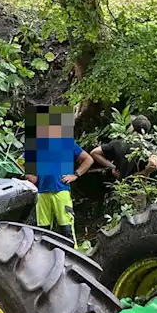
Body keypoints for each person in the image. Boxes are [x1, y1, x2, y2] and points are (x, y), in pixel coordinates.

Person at [23, 103, 92, 242]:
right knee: (42, 232)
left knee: (66, 229)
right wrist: (30, 176)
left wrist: (75, 175)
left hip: (61, 190)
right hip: (42, 192)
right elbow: (25, 166)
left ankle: (73, 260)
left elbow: (88, 159)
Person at [90, 116, 157, 180]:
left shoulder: (118, 143)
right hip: (139, 187)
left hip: (120, 186)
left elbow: (94, 153)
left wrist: (112, 167)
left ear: (132, 128)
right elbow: (153, 163)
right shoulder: (150, 147)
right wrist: (143, 173)